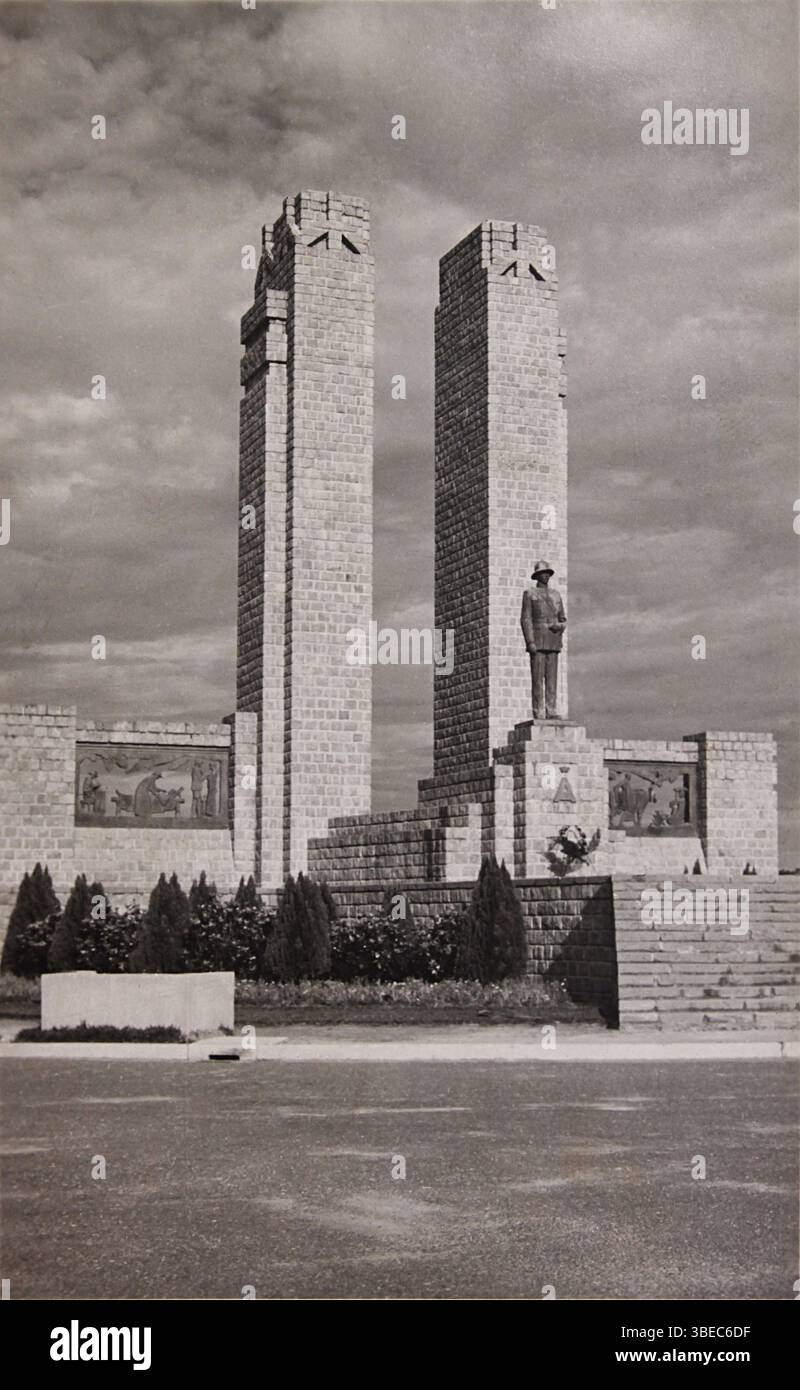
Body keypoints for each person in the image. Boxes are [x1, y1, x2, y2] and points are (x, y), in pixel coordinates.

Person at [520, 560, 566, 720]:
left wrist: (559, 626)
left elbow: (563, 618)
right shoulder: (530, 594)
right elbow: (526, 619)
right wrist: (530, 641)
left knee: (552, 679)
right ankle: (538, 710)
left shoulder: (556, 595)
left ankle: (551, 709)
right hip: (538, 640)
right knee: (538, 679)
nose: (546, 576)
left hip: (553, 640)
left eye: (548, 573)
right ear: (537, 576)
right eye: (542, 573)